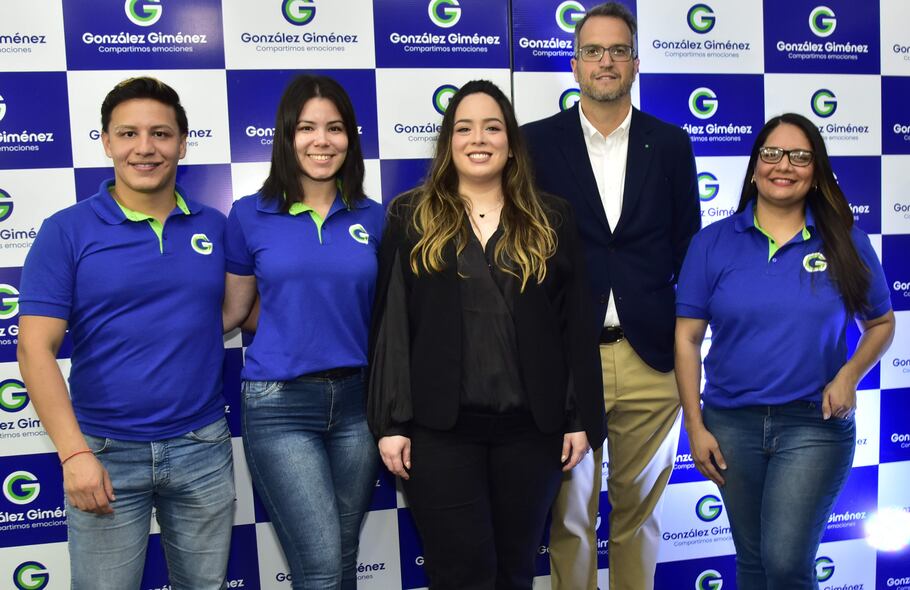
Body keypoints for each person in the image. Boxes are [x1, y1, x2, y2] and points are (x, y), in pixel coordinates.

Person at [368, 79, 605, 589]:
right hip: (440, 435)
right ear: (448, 141)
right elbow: (392, 323)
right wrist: (391, 421)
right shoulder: (412, 215)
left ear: (511, 140)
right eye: (465, 127)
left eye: (492, 127)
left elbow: (575, 327)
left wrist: (578, 416)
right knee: (462, 574)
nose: (479, 138)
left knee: (515, 570)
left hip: (532, 434)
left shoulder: (552, 217)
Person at [17, 77, 234, 589]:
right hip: (103, 453)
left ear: (182, 143)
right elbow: (34, 349)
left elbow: (229, 312)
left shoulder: (216, 226)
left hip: (202, 446)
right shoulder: (66, 230)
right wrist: (74, 455)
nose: (145, 148)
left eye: (160, 134)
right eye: (128, 133)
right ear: (107, 141)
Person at [675, 113, 895, 590]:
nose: (784, 166)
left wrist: (849, 375)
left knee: (787, 563)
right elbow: (687, 339)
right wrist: (694, 426)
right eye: (772, 154)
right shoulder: (713, 243)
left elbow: (881, 323)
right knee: (752, 563)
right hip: (731, 424)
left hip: (812, 424)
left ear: (815, 171)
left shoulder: (846, 243)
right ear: (755, 167)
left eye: (800, 156)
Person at [522, 3, 700, 588]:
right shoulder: (534, 145)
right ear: (575, 65)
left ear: (636, 63)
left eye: (618, 50)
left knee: (639, 515)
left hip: (652, 359)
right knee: (569, 517)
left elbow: (688, 249)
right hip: (569, 362)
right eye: (594, 51)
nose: (606, 61)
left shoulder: (670, 145)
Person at [222, 74, 383, 590]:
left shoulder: (376, 218)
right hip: (280, 405)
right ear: (287, 136)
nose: (322, 140)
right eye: (308, 128)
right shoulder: (248, 215)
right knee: (318, 567)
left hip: (360, 404)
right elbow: (238, 311)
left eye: (335, 128)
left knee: (342, 557)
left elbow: (385, 315)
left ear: (350, 139)